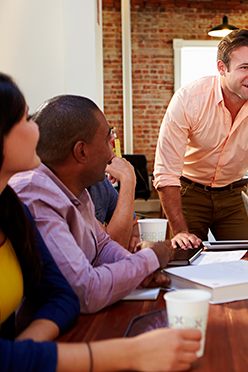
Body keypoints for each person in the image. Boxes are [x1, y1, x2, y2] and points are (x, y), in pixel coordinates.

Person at [0, 68, 200, 371]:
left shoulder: (7, 207)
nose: (37, 130)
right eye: (25, 120)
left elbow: (62, 295)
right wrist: (130, 353)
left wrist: (21, 348)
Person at [10, 95, 172, 314]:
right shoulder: (35, 195)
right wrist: (150, 258)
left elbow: (102, 245)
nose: (112, 150)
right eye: (108, 140)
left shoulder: (76, 188)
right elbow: (86, 291)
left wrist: (142, 270)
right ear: (81, 151)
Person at [154, 29, 248, 248]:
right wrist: (179, 231)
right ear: (222, 68)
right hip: (187, 192)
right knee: (183, 258)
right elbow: (166, 171)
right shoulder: (189, 99)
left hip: (233, 194)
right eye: (244, 67)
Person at [88, 155, 140, 251]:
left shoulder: (100, 183)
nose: (112, 140)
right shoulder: (65, 189)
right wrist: (128, 178)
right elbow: (113, 250)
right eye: (105, 140)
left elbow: (133, 224)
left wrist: (136, 237)